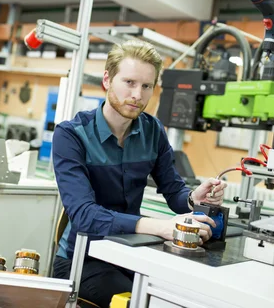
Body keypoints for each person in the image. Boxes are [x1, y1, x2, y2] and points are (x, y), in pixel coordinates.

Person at [51, 39, 227, 307]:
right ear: (108, 79)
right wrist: (160, 227)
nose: (138, 94)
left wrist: (193, 198)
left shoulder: (153, 130)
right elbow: (84, 216)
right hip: (81, 260)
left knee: (180, 296)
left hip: (130, 252)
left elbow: (173, 190)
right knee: (143, 302)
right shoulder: (72, 135)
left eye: (147, 86)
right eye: (130, 82)